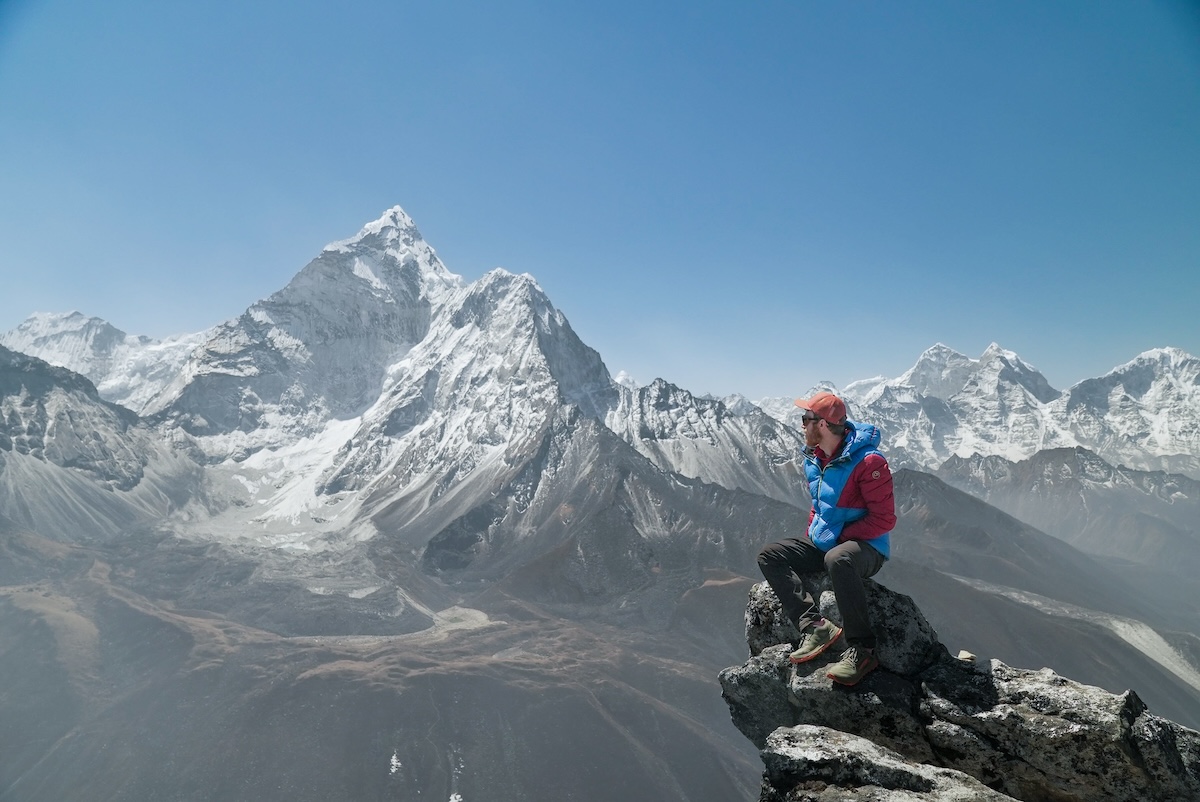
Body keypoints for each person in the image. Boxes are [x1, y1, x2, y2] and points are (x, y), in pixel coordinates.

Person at [757, 391, 896, 686]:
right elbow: (819, 506)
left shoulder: (869, 462)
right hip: (828, 541)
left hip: (866, 547)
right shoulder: (815, 459)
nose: (802, 425)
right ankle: (815, 626)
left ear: (821, 424)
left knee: (838, 558)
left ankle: (862, 651)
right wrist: (816, 531)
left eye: (805, 419)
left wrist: (840, 537)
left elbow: (884, 519)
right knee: (770, 555)